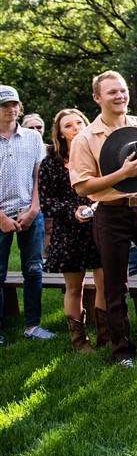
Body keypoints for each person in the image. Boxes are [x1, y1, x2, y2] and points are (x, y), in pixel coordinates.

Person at [69, 72, 137, 366]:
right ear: (97, 98)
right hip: (110, 213)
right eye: (112, 92)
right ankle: (122, 351)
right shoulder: (85, 138)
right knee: (115, 285)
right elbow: (83, 186)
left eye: (123, 90)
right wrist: (121, 175)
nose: (120, 96)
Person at [40, 108, 107, 351]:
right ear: (59, 133)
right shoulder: (51, 164)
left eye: (79, 122)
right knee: (74, 287)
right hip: (68, 231)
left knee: (104, 283)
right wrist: (73, 211)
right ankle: (79, 342)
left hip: (98, 226)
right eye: (68, 125)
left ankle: (106, 336)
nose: (75, 127)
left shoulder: (96, 155)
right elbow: (46, 202)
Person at [1, 85, 55, 344]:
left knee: (33, 270)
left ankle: (33, 325)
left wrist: (35, 209)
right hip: (0, 214)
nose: (11, 109)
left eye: (14, 104)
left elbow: (38, 177)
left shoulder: (33, 138)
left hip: (30, 212)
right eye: (4, 105)